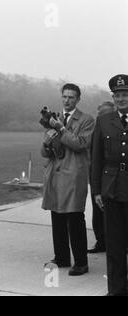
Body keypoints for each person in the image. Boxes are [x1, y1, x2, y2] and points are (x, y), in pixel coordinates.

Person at [41, 83, 95, 276]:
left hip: (73, 175)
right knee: (57, 216)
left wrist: (61, 129)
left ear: (78, 99)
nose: (67, 100)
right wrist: (48, 140)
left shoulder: (87, 120)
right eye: (64, 96)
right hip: (55, 174)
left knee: (74, 218)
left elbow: (80, 144)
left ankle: (81, 262)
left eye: (71, 97)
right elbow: (44, 152)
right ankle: (62, 257)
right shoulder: (54, 119)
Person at [91, 74, 128, 296]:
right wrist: (96, 190)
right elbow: (96, 159)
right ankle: (116, 289)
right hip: (111, 188)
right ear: (113, 97)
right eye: (118, 95)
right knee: (114, 245)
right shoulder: (104, 121)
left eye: (125, 95)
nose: (121, 99)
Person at [88, 101, 115, 254]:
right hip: (97, 175)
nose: (102, 116)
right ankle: (101, 241)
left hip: (114, 175)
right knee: (98, 212)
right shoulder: (96, 128)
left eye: (105, 113)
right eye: (100, 113)